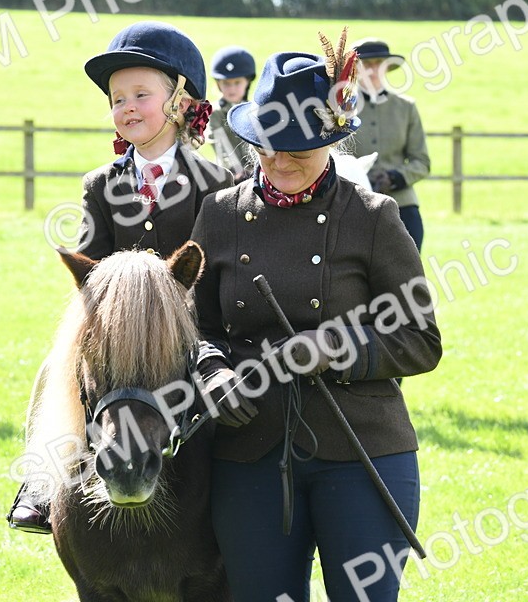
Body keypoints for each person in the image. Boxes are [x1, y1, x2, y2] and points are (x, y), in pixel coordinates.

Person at [189, 49, 442, 601]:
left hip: (362, 450)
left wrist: (338, 349)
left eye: (298, 150)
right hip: (248, 451)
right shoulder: (219, 215)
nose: (279, 161)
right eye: (269, 147)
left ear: (331, 141)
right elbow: (197, 326)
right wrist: (211, 372)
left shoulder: (373, 217)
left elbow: (421, 341)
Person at [9, 20, 232, 534]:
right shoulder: (101, 184)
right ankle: (42, 485)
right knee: (54, 368)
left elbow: (215, 269)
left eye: (140, 94)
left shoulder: (217, 183)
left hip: (190, 332)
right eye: (116, 99)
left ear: (179, 101)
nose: (126, 107)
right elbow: (90, 266)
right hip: (114, 331)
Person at [350, 38, 431, 250]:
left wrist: (394, 178)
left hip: (402, 205)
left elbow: (421, 161)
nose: (374, 70)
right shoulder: (342, 111)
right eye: (367, 65)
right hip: (354, 205)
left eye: (379, 64)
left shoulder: (406, 107)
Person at [205, 45, 256, 181]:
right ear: (218, 84)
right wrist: (236, 171)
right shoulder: (214, 113)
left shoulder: (255, 111)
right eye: (226, 83)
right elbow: (220, 146)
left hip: (256, 173)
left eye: (237, 82)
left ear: (248, 82)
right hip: (230, 175)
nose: (232, 88)